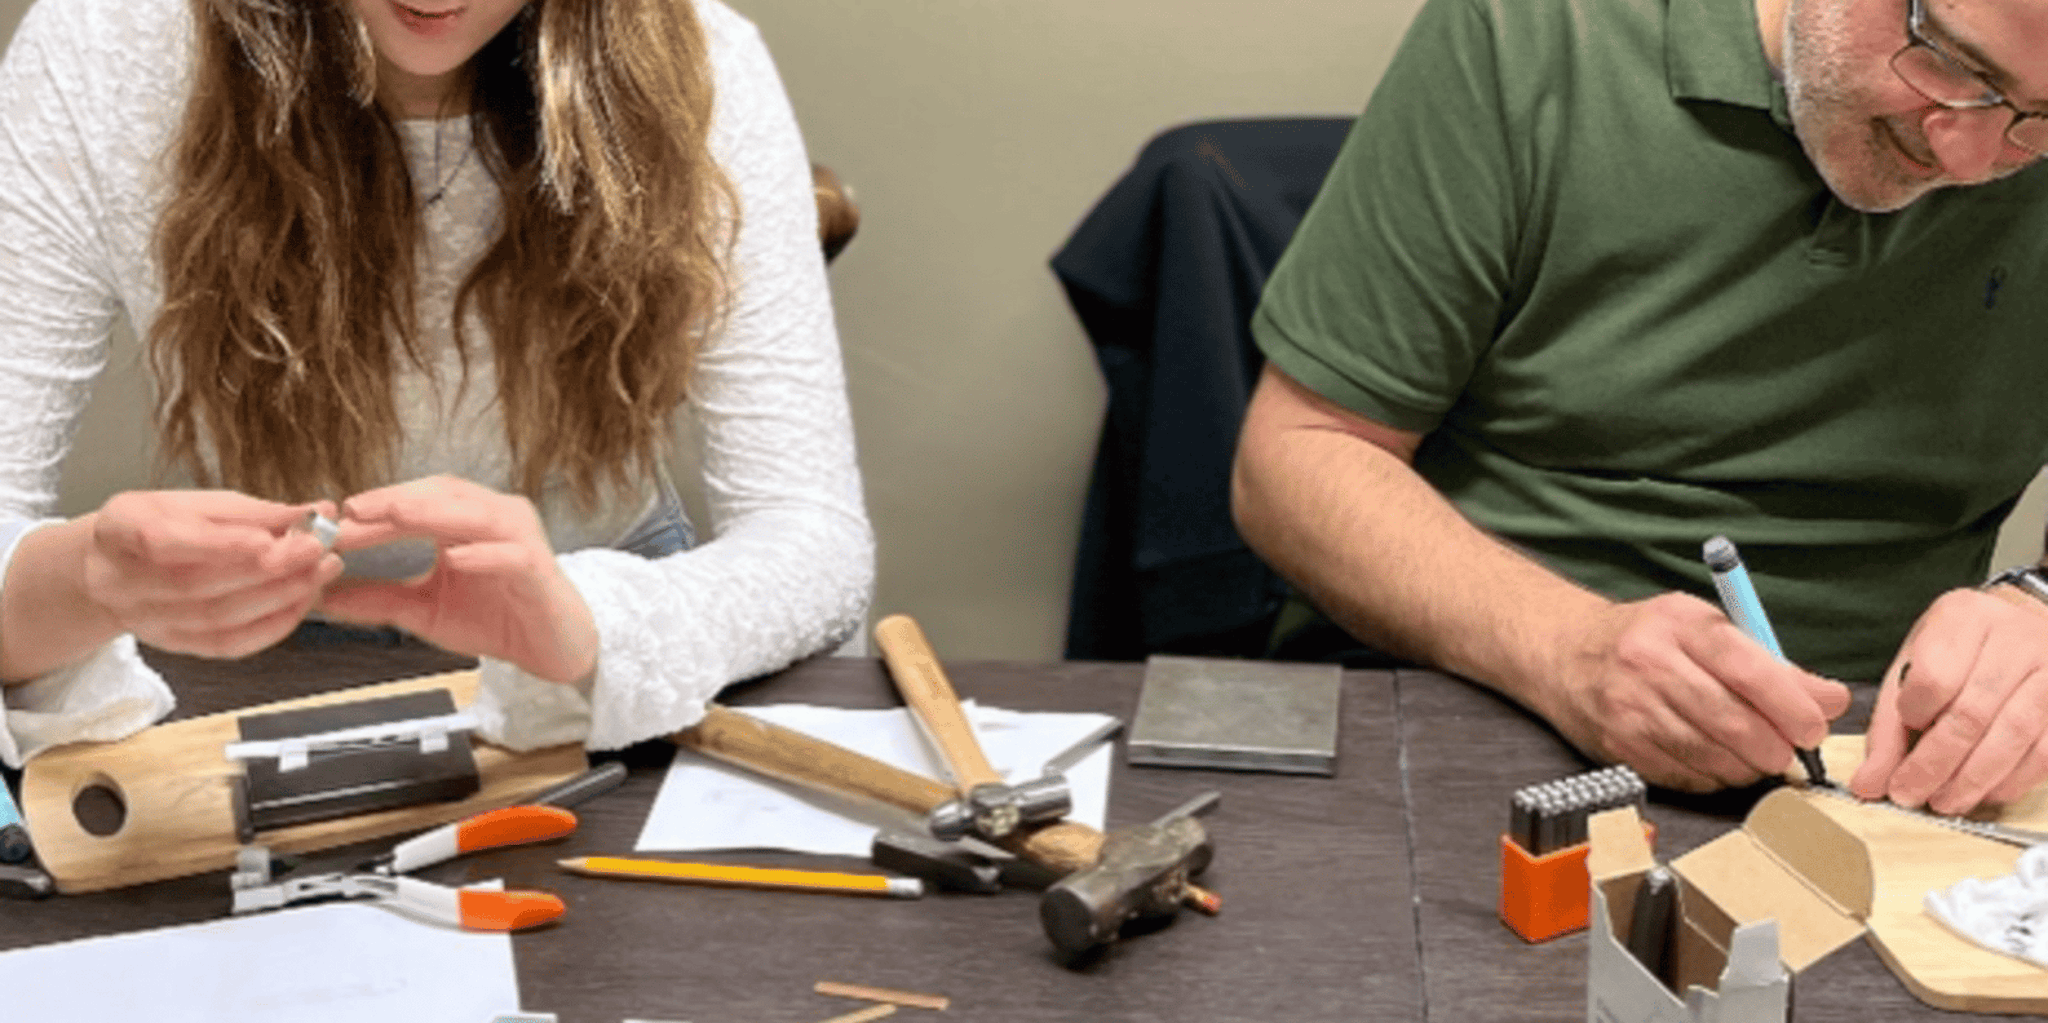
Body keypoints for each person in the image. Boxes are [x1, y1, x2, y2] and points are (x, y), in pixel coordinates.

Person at [0, 0, 873, 764]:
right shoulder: (99, 49)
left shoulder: (705, 58)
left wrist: (596, 624)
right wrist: (83, 580)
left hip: (599, 634)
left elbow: (815, 537)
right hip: (245, 648)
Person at [1232, 0, 2048, 814]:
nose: (1970, 158)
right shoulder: (1540, 30)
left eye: (2042, 117)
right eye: (1952, 63)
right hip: (1486, 700)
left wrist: (2036, 607)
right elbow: (1297, 453)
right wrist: (1565, 649)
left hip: (1885, 768)